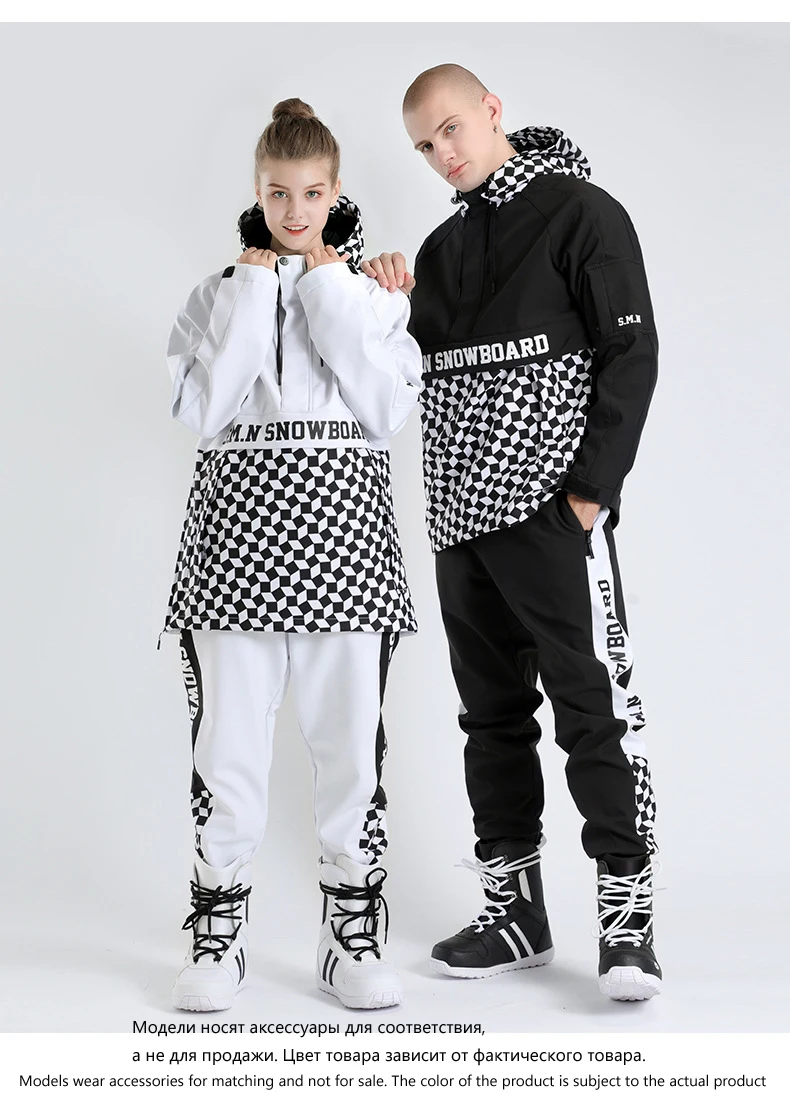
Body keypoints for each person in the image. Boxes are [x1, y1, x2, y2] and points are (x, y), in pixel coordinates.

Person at [362, 64, 661, 1001]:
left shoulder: (582, 214)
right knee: (491, 721)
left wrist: (589, 495)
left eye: (451, 129)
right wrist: (381, 293)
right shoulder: (442, 251)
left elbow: (631, 354)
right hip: (461, 522)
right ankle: (517, 914)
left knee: (593, 712)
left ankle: (627, 924)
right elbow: (396, 372)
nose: (441, 154)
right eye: (424, 145)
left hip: (552, 515)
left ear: (491, 111)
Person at [160, 98, 422, 1012]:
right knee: (228, 746)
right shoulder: (215, 294)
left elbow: (385, 412)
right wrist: (254, 288)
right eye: (279, 192)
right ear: (257, 191)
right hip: (234, 544)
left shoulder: (372, 297)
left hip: (345, 541)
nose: (296, 210)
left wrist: (328, 286)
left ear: (335, 191)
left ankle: (349, 933)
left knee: (350, 749)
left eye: (312, 193)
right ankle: (217, 929)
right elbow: (204, 412)